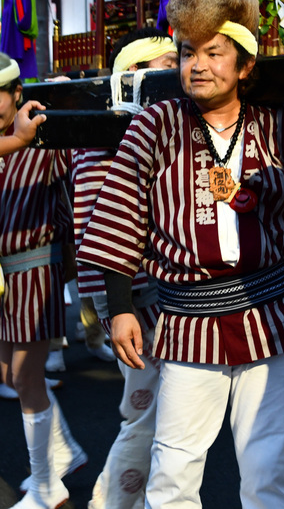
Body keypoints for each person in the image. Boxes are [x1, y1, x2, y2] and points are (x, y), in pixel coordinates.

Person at [77, 0, 284, 509]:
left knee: (268, 462)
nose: (197, 65)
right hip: (187, 321)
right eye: (187, 52)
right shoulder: (156, 124)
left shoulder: (277, 124)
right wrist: (119, 308)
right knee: (174, 466)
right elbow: (120, 210)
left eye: (213, 52)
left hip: (265, 314)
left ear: (246, 65)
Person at [73, 27, 178, 509]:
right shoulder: (112, 132)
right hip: (135, 295)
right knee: (147, 415)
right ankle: (112, 503)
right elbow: (107, 226)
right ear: (132, 76)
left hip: (137, 292)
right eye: (166, 65)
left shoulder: (120, 126)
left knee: (161, 416)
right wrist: (118, 305)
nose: (179, 72)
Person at [0, 52, 87, 509]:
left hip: (35, 264)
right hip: (2, 274)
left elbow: (74, 183)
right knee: (8, 376)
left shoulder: (44, 135)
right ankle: (63, 452)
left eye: (0, 93)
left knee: (25, 377)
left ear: (18, 93)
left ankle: (46, 487)